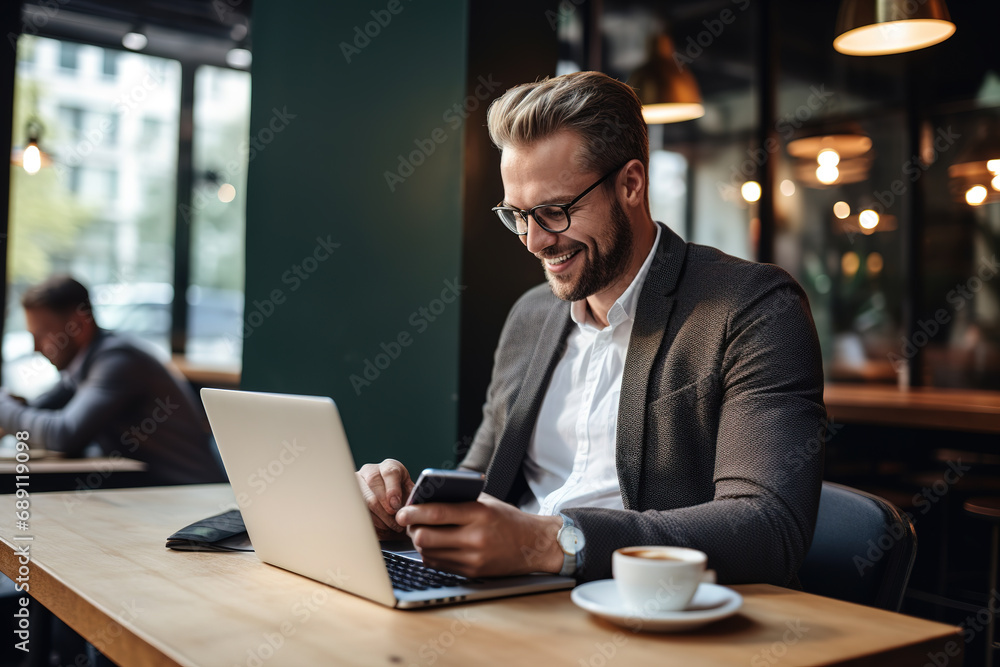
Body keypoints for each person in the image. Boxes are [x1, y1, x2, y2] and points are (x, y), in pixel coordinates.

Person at [357, 71, 826, 585]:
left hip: (640, 617)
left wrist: (550, 542)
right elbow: (482, 480)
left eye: (554, 212)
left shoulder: (753, 309)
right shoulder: (531, 316)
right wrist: (406, 510)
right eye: (516, 215)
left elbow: (767, 529)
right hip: (507, 600)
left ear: (630, 184)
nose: (534, 241)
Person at [0, 275, 226, 486]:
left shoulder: (118, 360)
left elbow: (64, 433)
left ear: (78, 324)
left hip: (189, 496)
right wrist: (16, 410)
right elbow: (37, 409)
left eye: (42, 334)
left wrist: (4, 408)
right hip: (149, 495)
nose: (36, 348)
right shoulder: (84, 365)